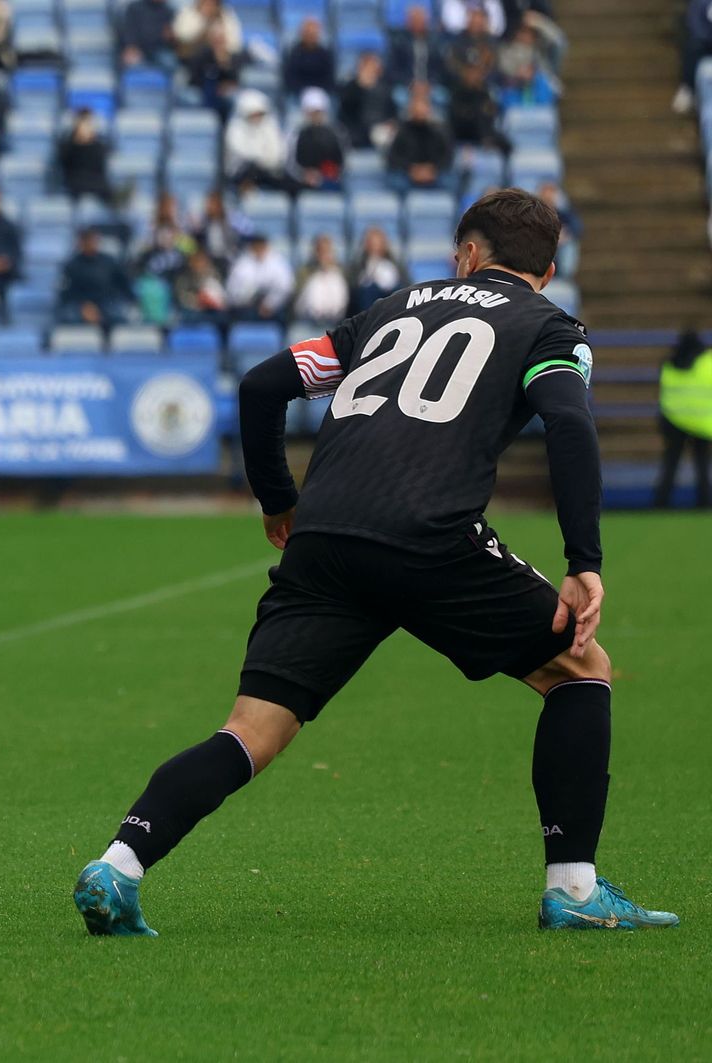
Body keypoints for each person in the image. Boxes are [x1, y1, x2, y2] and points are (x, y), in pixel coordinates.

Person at [74, 187, 680, 937]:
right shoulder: (548, 325)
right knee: (581, 670)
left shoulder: (390, 308)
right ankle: (575, 888)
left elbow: (263, 384)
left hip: (325, 536)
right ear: (548, 270)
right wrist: (584, 558)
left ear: (466, 252)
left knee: (250, 730)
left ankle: (119, 863)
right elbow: (567, 421)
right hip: (431, 535)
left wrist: (277, 502)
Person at [654, 331, 712, 508]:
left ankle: (661, 503)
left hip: (674, 421)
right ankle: (704, 504)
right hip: (702, 422)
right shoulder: (708, 362)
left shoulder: (669, 364)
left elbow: (664, 393)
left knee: (671, 464)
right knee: (702, 466)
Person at [56, 228, 135, 328]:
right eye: (87, 241)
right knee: (69, 317)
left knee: (120, 315)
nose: (91, 244)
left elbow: (124, 285)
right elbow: (65, 293)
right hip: (80, 305)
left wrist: (133, 301)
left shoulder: (109, 262)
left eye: (94, 240)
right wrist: (84, 306)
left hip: (107, 303)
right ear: (80, 243)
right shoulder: (71, 265)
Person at [386, 87, 453, 190]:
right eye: (416, 109)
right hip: (408, 173)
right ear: (410, 110)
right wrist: (411, 169)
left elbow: (447, 156)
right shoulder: (402, 130)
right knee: (396, 182)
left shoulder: (440, 130)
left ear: (429, 110)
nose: (420, 113)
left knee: (449, 182)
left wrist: (433, 169)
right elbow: (393, 157)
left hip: (434, 172)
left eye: (423, 109)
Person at [223, 89, 288, 191]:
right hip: (241, 172)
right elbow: (243, 152)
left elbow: (277, 152)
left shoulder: (270, 125)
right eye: (254, 113)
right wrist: (263, 158)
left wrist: (267, 161)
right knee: (251, 169)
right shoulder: (235, 127)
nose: (257, 117)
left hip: (267, 170)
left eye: (260, 113)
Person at [225, 232, 293, 321]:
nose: (259, 249)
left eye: (261, 246)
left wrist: (270, 304)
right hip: (246, 307)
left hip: (274, 308)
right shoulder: (241, 263)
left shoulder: (278, 262)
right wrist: (247, 298)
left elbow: (286, 287)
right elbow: (232, 290)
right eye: (256, 246)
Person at [338, 51, 398, 151]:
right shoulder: (351, 88)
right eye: (368, 67)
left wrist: (390, 123)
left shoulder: (384, 88)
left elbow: (392, 113)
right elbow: (344, 114)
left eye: (374, 67)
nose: (371, 70)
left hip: (380, 131)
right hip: (357, 132)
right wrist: (361, 86)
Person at [291, 87, 345, 190]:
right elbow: (291, 163)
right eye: (312, 112)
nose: (315, 116)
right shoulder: (296, 133)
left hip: (330, 180)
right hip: (302, 182)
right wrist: (304, 174)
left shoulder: (336, 133)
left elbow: (342, 161)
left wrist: (328, 173)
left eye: (318, 112)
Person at [291, 232, 349, 326]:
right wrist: (319, 270)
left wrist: (330, 268)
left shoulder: (340, 270)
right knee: (316, 281)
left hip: (335, 312)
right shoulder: (305, 270)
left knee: (334, 278)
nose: (324, 254)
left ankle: (331, 315)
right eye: (320, 251)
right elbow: (299, 293)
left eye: (327, 251)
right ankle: (318, 315)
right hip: (307, 311)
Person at [346, 224, 408, 311]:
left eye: (378, 243)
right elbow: (352, 289)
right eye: (371, 243)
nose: (375, 247)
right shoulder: (357, 266)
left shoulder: (397, 265)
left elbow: (407, 286)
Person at [57, 109, 114, 202]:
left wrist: (91, 143)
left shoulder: (99, 146)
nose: (88, 126)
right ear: (77, 125)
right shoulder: (67, 145)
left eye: (90, 123)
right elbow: (64, 166)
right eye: (85, 123)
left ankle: (117, 201)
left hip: (96, 180)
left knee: (106, 189)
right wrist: (78, 142)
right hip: (76, 180)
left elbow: (101, 168)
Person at [386, 4, 445, 89]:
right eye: (414, 20)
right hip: (405, 85)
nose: (418, 23)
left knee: (441, 97)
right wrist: (409, 83)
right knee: (399, 97)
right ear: (408, 22)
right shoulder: (399, 42)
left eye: (420, 20)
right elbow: (393, 69)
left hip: (430, 85)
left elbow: (440, 68)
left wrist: (430, 83)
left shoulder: (435, 42)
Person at [673, 0, 712, 115]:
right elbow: (695, 25)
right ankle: (688, 88)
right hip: (704, 40)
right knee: (694, 46)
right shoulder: (700, 3)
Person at [282, 17, 336, 97]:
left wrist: (318, 90)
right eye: (308, 33)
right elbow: (290, 78)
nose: (310, 36)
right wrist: (303, 91)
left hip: (320, 93)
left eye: (313, 33)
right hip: (298, 94)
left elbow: (329, 78)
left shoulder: (325, 54)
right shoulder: (294, 53)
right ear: (302, 33)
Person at [172, 0, 241, 62]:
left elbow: (235, 43)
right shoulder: (188, 12)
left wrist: (222, 43)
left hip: (221, 58)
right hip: (191, 57)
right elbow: (181, 36)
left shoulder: (225, 14)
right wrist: (204, 20)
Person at [121, 0, 176, 68]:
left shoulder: (169, 11)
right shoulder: (134, 8)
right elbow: (129, 31)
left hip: (160, 49)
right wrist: (130, 47)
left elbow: (170, 38)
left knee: (169, 63)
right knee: (132, 65)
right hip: (138, 48)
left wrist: (170, 37)